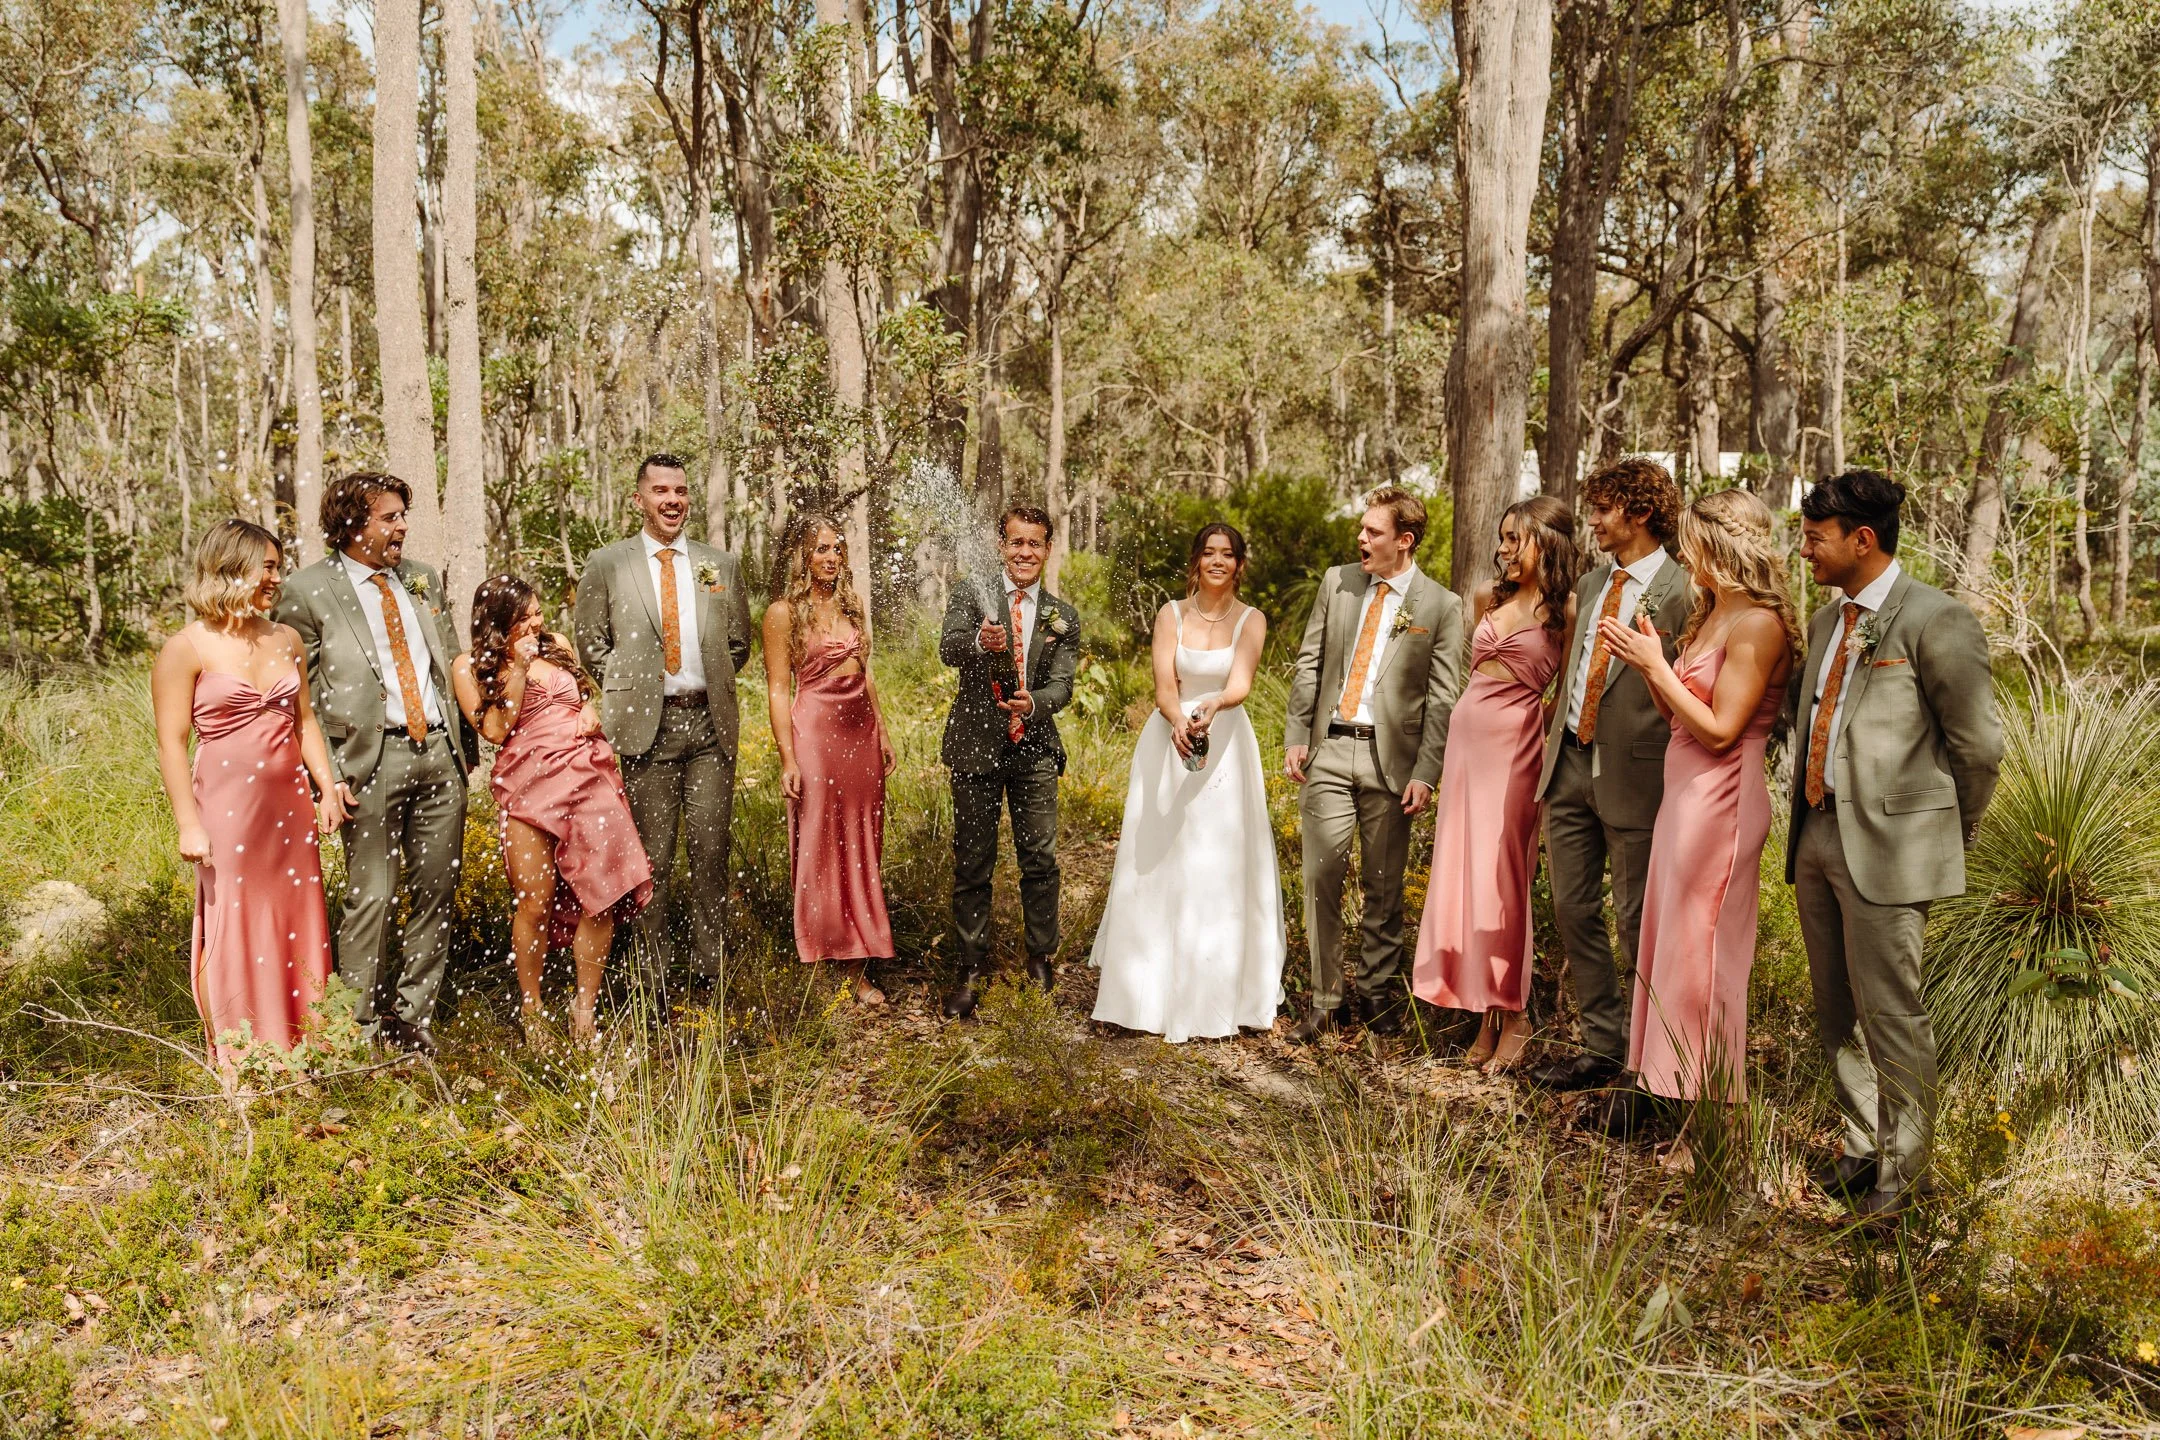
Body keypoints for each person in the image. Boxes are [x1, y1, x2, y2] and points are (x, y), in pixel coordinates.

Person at [1785, 469, 2001, 1223]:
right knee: (1834, 1009)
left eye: (1815, 539)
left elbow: (1977, 749)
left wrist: (1942, 834)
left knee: (1892, 1014)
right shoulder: (1824, 622)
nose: (1805, 550)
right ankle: (1858, 1147)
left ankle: (1902, 1179)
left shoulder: (1937, 621)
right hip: (1815, 834)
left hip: (1890, 852)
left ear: (1862, 540)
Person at [1592, 490, 1800, 1154]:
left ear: (1720, 544)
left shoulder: (1759, 626)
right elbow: (1678, 713)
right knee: (1675, 958)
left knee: (1708, 962)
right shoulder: (1714, 614)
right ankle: (1689, 1114)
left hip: (1722, 800)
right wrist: (1649, 665)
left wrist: (1656, 666)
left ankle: (1726, 1129)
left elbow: (1720, 731)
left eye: (1691, 542)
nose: (1683, 554)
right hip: (1682, 795)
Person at [276, 472, 472, 1055]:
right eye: (389, 517)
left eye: (402, 516)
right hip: (368, 761)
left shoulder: (420, 579)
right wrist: (326, 776)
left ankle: (413, 1017)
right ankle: (352, 1028)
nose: (402, 527)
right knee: (373, 896)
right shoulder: (308, 590)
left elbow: (447, 661)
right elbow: (298, 693)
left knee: (438, 888)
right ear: (352, 524)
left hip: (439, 752)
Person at [152, 520, 344, 1074]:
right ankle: (239, 1061)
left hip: (289, 806)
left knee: (297, 918)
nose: (276, 579)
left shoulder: (285, 638)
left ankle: (303, 1052)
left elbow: (305, 719)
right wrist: (188, 823)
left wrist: (326, 787)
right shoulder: (185, 647)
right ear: (231, 567)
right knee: (233, 924)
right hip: (226, 810)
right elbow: (171, 742)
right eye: (267, 567)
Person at [1524, 457, 1689, 1093]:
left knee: (1635, 921)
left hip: (1636, 780)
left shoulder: (1684, 589)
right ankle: (1601, 1043)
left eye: (1603, 508)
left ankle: (1649, 1061)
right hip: (1566, 766)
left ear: (1641, 513)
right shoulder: (1592, 585)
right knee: (1572, 910)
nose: (1592, 518)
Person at [1090, 523, 1285, 1042]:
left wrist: (1214, 704)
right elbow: (1163, 686)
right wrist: (1178, 719)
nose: (1217, 561)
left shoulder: (1252, 619)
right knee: (1159, 856)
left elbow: (1240, 683)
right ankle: (1143, 995)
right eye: (1208, 553)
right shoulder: (1170, 614)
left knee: (1214, 861)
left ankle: (1214, 997)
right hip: (1168, 741)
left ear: (1239, 565)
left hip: (1225, 747)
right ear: (1196, 561)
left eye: (1227, 554)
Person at [1283, 487, 1465, 1042]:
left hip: (1394, 762)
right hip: (1331, 748)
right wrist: (1297, 733)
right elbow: (1310, 661)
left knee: (1384, 885)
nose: (1361, 539)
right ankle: (1326, 997)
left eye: (1374, 532)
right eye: (1362, 529)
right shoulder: (1337, 583)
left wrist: (1426, 772)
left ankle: (1379, 994)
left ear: (1404, 541)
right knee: (1321, 875)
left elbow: (1443, 697)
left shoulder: (1441, 606)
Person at [574, 454, 753, 1008]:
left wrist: (705, 679)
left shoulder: (715, 565)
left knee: (711, 850)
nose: (671, 500)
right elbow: (590, 643)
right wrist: (634, 690)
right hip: (645, 729)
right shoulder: (609, 564)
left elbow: (738, 642)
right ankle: (650, 981)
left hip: (708, 725)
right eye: (660, 491)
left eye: (679, 490)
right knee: (653, 859)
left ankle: (709, 975)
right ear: (640, 499)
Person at [1411, 497, 1581, 1071]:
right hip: (1466, 747)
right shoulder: (1488, 598)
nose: (1504, 548)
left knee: (1505, 880)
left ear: (1547, 543)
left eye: (1516, 538)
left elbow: (1570, 694)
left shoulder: (1568, 611)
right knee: (1467, 877)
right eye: (1502, 537)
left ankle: (1519, 1017)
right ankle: (1483, 1018)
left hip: (1516, 752)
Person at [454, 575, 653, 1049]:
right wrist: (519, 671)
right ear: (498, 623)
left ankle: (584, 1011)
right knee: (535, 903)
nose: (537, 623)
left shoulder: (557, 644)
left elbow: (584, 696)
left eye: (538, 612)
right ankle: (533, 1008)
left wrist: (592, 710)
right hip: (528, 789)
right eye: (524, 617)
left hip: (586, 778)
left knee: (600, 895)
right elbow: (497, 731)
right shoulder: (469, 666)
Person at [937, 504, 1082, 1020]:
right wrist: (980, 640)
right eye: (1016, 542)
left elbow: (1063, 684)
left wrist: (1035, 703)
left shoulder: (1062, 614)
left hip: (1035, 748)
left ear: (1047, 549)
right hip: (975, 746)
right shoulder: (971, 594)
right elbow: (948, 649)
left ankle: (1040, 962)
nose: (1025, 552)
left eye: (1035, 543)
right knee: (973, 862)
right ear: (1002, 546)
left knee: (1039, 861)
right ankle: (970, 970)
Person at [761, 516, 897, 1005]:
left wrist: (881, 730)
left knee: (863, 842)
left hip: (861, 734)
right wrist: (787, 757)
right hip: (815, 732)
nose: (831, 557)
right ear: (801, 555)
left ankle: (860, 958)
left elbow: (867, 672)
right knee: (822, 843)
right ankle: (825, 959)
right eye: (821, 549)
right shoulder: (782, 613)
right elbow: (778, 690)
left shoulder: (852, 605)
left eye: (837, 548)